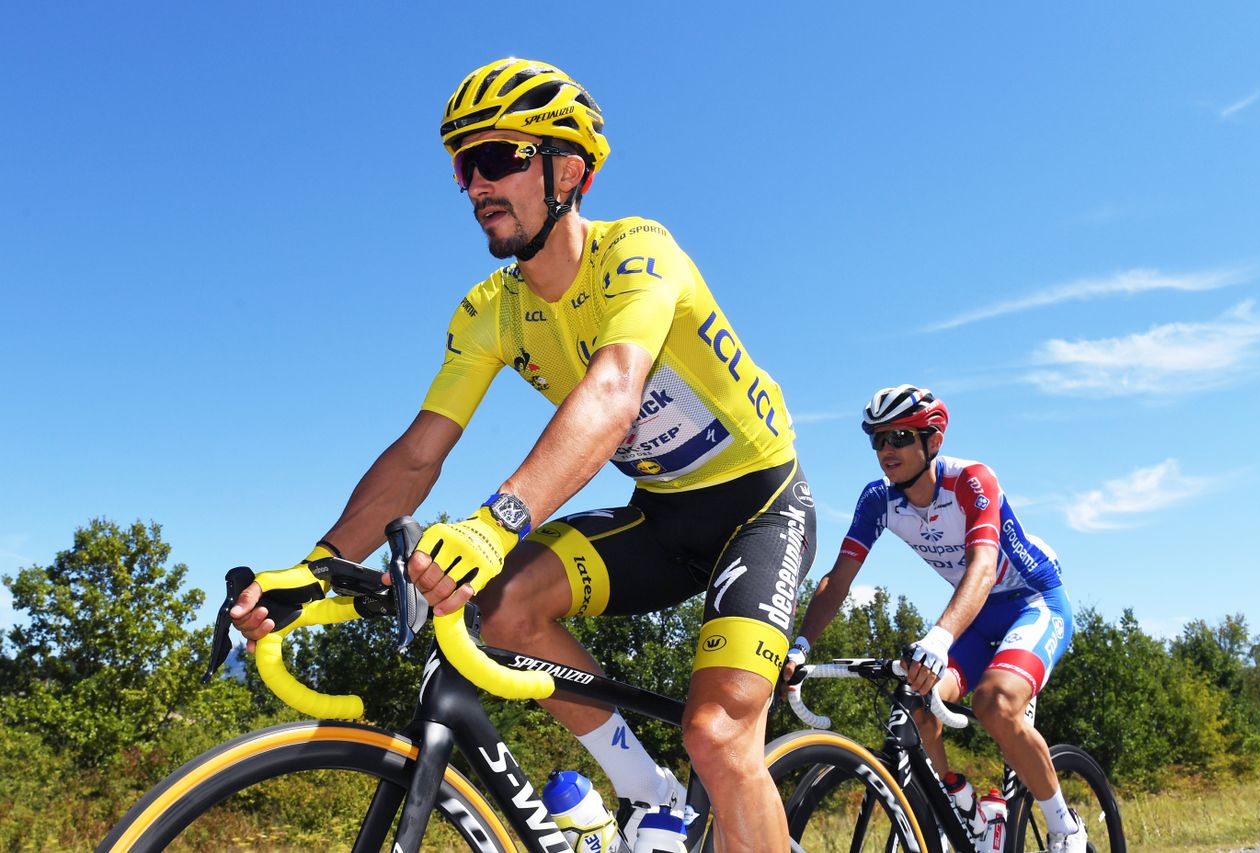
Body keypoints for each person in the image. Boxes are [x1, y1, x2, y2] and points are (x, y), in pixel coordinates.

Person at [230, 57, 815, 850]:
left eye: (498, 158)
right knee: (501, 607)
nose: (475, 185)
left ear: (568, 170)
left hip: (758, 507)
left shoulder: (638, 253)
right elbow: (416, 453)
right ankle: (651, 795)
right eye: (463, 166)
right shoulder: (492, 311)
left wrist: (494, 522)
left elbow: (612, 394)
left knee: (717, 734)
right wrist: (317, 563)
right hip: (661, 517)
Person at [784, 385, 1086, 853]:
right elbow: (837, 581)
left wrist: (940, 637)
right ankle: (960, 803)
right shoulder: (878, 501)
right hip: (978, 614)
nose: (887, 450)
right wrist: (800, 647)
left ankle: (1065, 828)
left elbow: (983, 567)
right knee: (917, 704)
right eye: (878, 440)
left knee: (994, 702)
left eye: (900, 436)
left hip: (1033, 601)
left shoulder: (971, 480)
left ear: (934, 439)